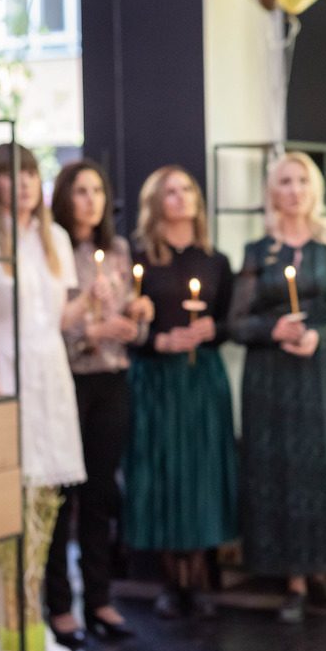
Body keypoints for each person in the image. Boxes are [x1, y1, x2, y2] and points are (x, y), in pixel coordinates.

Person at [229, 151, 326, 623]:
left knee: (325, 470)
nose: (294, 190)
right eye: (285, 182)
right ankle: (291, 579)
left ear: (315, 190)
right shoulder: (258, 252)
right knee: (280, 471)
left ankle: (323, 573)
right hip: (273, 379)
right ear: (273, 191)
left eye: (302, 181)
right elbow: (237, 322)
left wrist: (318, 336)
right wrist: (272, 329)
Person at [0, 143, 88, 651]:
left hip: (51, 375)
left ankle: (35, 625)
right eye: (10, 174)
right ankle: (9, 629)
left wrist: (95, 301)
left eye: (29, 173)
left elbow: (60, 319)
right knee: (12, 498)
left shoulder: (55, 238)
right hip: (7, 371)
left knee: (47, 500)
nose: (21, 183)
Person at [45, 159, 154, 646]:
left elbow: (133, 327)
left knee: (101, 493)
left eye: (97, 191)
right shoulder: (53, 249)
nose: (90, 201)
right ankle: (59, 605)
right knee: (63, 494)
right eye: (80, 191)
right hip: (68, 380)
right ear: (64, 198)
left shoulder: (118, 250)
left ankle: (100, 599)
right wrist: (91, 329)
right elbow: (45, 325)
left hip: (112, 378)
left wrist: (137, 318)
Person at [123, 165, 238, 619]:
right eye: (170, 191)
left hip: (201, 377)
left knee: (202, 471)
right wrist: (158, 340)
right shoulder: (140, 260)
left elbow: (230, 321)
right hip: (156, 378)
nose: (181, 197)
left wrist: (213, 329)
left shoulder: (216, 260)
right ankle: (171, 581)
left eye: (186, 189)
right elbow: (128, 328)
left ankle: (204, 576)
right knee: (163, 472)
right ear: (155, 203)